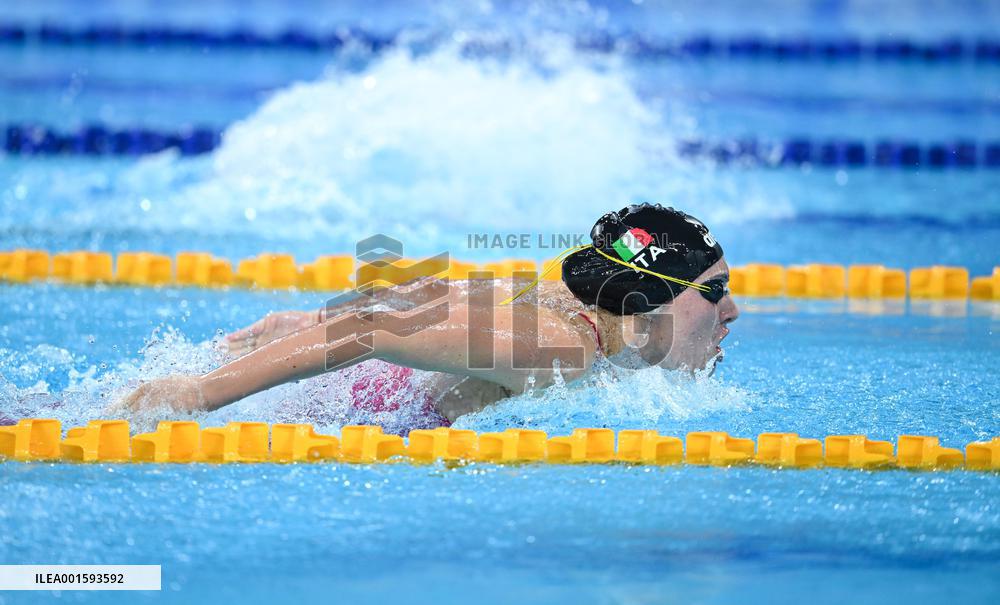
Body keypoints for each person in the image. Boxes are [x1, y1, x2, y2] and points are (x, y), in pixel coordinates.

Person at [120, 203, 739, 424]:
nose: (732, 311)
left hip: (344, 387)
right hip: (348, 408)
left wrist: (306, 323)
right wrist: (199, 393)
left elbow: (431, 291)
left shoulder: (557, 299)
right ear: (645, 300)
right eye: (713, 292)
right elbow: (370, 330)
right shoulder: (561, 348)